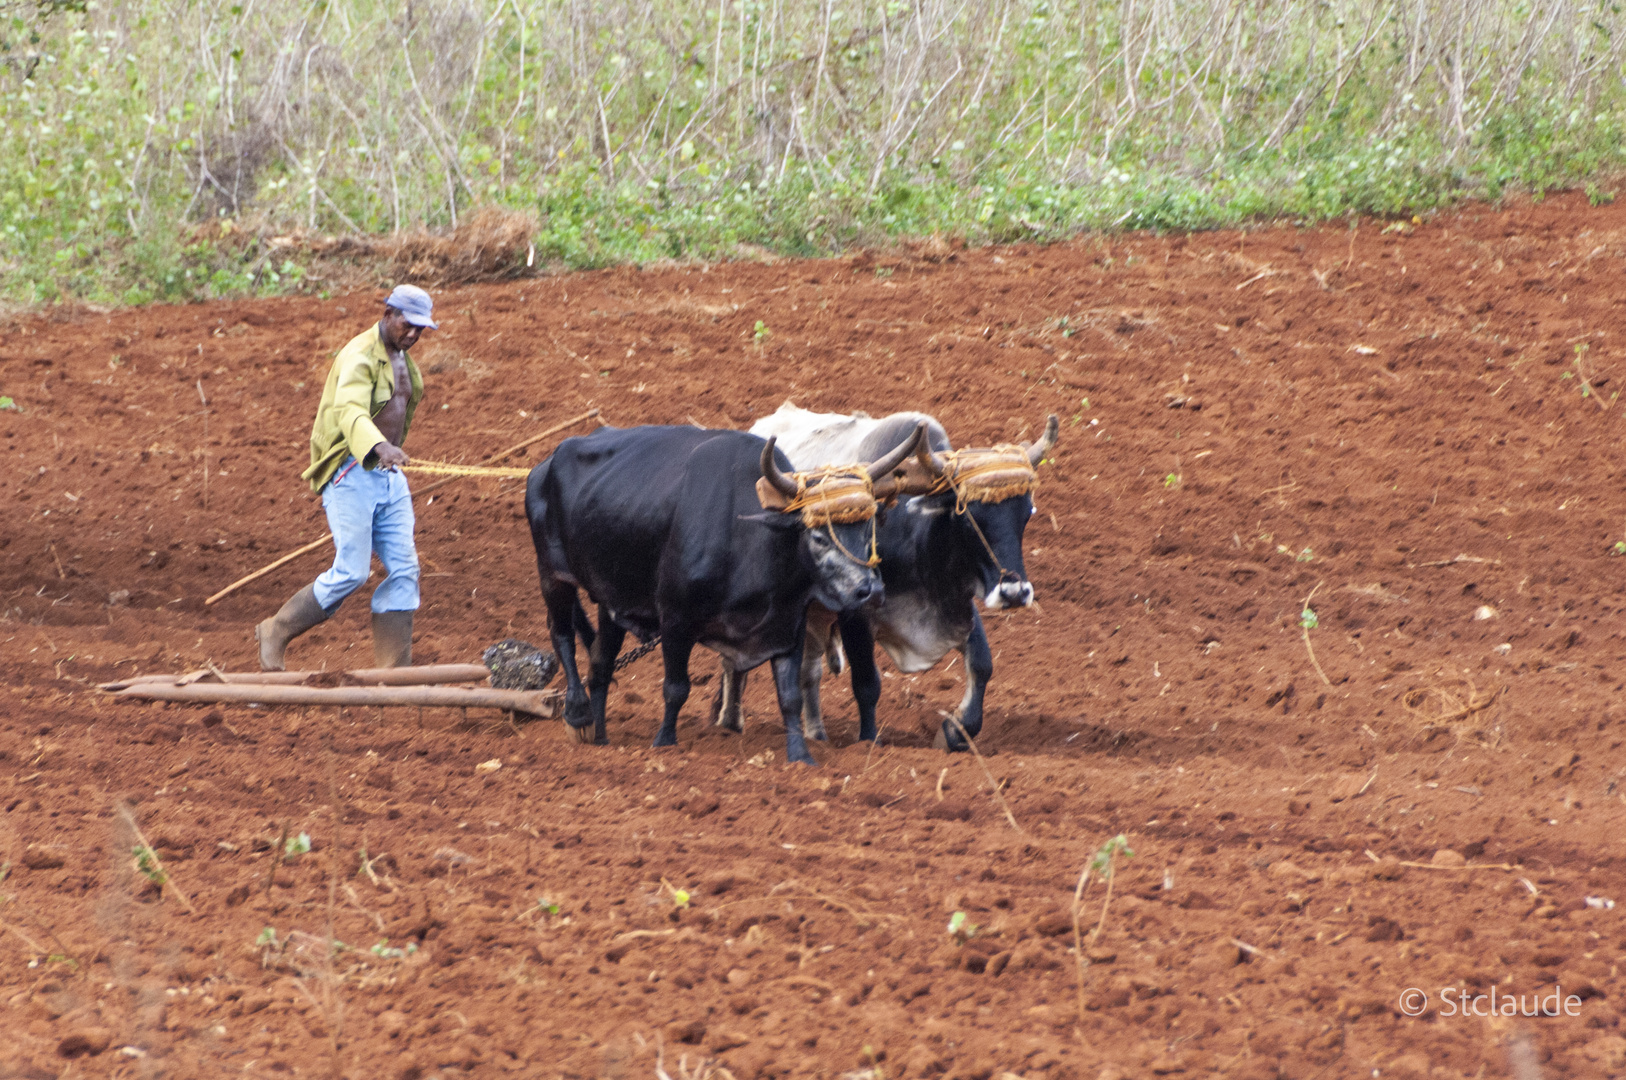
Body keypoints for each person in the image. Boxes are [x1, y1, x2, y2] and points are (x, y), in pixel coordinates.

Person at [256, 284, 437, 671]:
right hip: (351, 472)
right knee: (353, 572)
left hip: (388, 478)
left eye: (421, 329)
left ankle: (394, 674)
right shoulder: (358, 355)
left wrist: (388, 453)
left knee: (405, 570)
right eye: (408, 324)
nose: (414, 334)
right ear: (388, 313)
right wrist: (379, 446)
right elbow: (350, 410)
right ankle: (276, 630)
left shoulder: (403, 359)